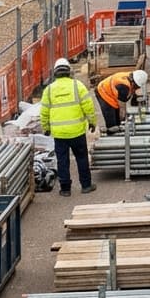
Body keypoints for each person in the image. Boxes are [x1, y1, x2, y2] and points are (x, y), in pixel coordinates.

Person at [39, 57, 98, 197]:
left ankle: (65, 189)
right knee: (82, 158)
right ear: (69, 72)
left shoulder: (49, 90)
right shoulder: (78, 86)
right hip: (77, 131)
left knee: (62, 161)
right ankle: (86, 185)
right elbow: (88, 106)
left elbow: (44, 111)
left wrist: (46, 127)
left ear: (55, 73)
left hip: (59, 134)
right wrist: (92, 122)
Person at [94, 69, 147, 133]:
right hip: (103, 93)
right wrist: (123, 122)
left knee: (117, 120)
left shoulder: (131, 77)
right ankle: (112, 137)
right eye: (137, 87)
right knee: (112, 124)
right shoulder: (123, 86)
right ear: (134, 83)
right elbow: (122, 109)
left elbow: (132, 90)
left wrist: (135, 98)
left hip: (111, 92)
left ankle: (117, 130)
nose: (138, 88)